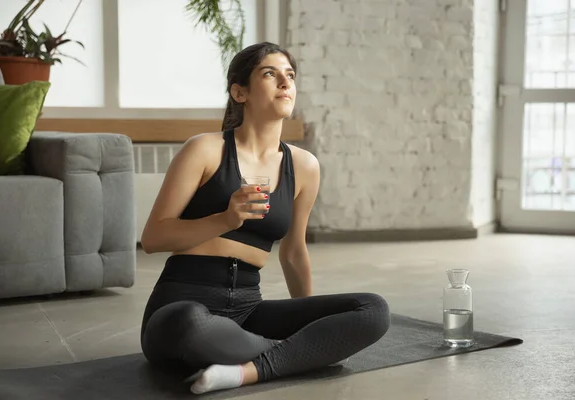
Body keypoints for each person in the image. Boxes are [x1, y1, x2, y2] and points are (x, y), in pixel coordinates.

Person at [139, 41, 391, 395]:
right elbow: (153, 238)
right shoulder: (205, 149)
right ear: (239, 92)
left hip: (248, 309)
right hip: (183, 303)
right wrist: (226, 219)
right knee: (191, 325)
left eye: (289, 75)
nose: (285, 83)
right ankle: (298, 357)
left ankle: (245, 371)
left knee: (372, 310)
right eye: (270, 74)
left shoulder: (304, 167)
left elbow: (293, 252)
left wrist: (309, 316)